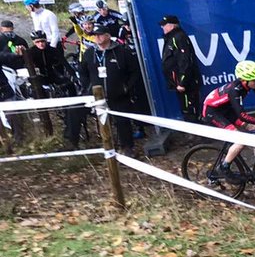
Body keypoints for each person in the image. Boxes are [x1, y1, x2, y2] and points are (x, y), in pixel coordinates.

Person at [200, 60, 255, 182]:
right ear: (244, 80)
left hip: (226, 110)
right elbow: (242, 116)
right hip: (213, 113)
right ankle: (223, 167)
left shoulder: (249, 83)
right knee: (241, 140)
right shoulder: (235, 91)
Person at [79, 23, 146, 155]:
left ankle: (127, 148)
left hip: (119, 94)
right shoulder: (89, 53)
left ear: (108, 36)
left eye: (99, 35)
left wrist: (127, 87)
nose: (97, 38)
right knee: (104, 122)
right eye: (94, 35)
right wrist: (88, 87)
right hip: (99, 96)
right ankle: (109, 147)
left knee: (122, 122)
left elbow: (134, 71)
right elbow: (82, 71)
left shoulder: (122, 51)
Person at [27, 31, 86, 147]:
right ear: (34, 42)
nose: (41, 44)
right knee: (36, 90)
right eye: (38, 42)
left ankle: (73, 104)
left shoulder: (52, 50)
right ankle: (41, 111)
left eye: (43, 41)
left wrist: (73, 75)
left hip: (52, 74)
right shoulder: (31, 52)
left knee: (68, 84)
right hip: (39, 76)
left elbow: (64, 62)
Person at [160, 14, 201, 120]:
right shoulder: (170, 39)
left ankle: (196, 133)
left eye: (165, 25)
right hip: (177, 83)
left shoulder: (179, 37)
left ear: (172, 26)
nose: (162, 27)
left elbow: (185, 60)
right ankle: (192, 130)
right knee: (185, 108)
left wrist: (182, 82)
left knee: (190, 108)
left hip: (186, 83)